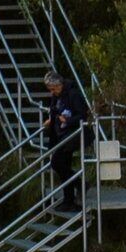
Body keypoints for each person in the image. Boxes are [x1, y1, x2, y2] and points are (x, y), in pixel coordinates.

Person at [41, 75, 86, 215]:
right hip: (59, 135)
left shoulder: (73, 95)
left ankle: (77, 186)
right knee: (62, 165)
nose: (51, 92)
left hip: (71, 135)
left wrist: (67, 120)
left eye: (53, 89)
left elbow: (83, 115)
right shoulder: (57, 96)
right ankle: (70, 198)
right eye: (50, 89)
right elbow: (54, 110)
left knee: (57, 163)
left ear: (59, 85)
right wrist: (51, 120)